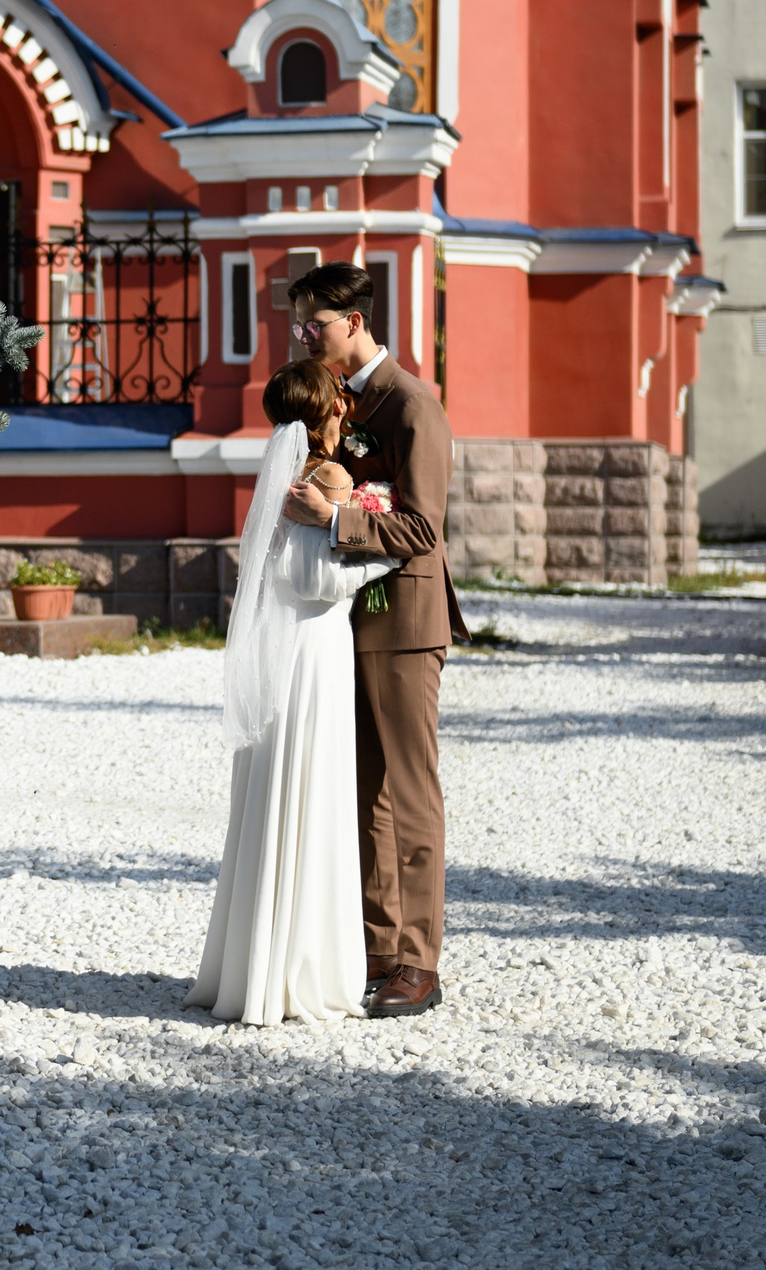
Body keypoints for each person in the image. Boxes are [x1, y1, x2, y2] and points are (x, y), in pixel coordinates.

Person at [186, 360, 400, 1024]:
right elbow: (315, 581)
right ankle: (302, 970)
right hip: (314, 651)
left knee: (278, 795)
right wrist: (385, 546)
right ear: (330, 408)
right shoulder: (327, 477)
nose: (347, 408)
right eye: (340, 399)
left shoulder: (280, 472)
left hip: (286, 652)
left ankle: (257, 964)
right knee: (311, 793)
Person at [280, 261, 466, 1019]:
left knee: (409, 792)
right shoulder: (338, 402)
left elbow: (421, 527)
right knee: (363, 793)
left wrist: (331, 521)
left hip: (406, 622)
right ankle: (379, 949)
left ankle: (420, 963)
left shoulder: (413, 402)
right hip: (346, 618)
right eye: (299, 327)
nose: (305, 339)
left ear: (354, 322)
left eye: (315, 326)